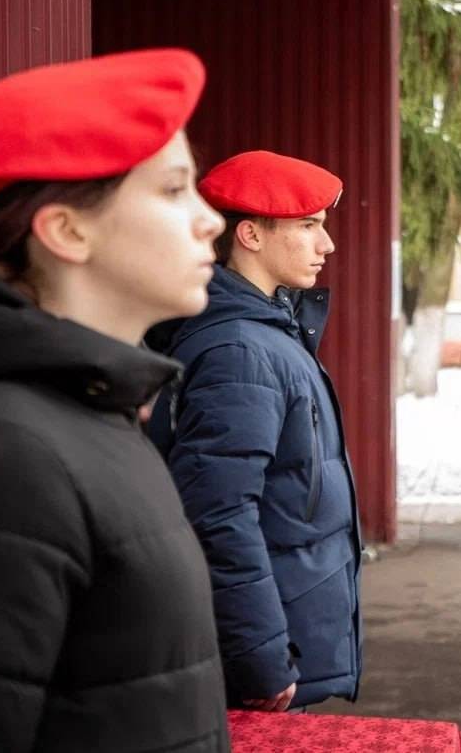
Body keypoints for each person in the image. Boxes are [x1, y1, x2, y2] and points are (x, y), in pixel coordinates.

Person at [0, 50, 230, 750]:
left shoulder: (95, 412)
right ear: (67, 231)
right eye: (174, 190)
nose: (210, 220)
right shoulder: (7, 451)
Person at [147, 150, 362, 711]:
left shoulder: (268, 332)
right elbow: (217, 513)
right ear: (250, 235)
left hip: (289, 626)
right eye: (308, 226)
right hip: (269, 653)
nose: (326, 245)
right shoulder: (241, 350)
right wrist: (260, 655)